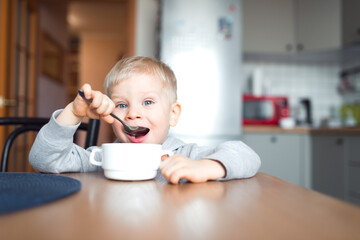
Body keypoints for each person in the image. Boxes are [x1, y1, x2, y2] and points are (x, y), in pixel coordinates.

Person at [29, 56, 260, 184]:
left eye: (147, 102)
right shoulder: (101, 157)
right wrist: (74, 111)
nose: (132, 114)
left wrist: (206, 167)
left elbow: (246, 155)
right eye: (121, 105)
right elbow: (44, 161)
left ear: (173, 113)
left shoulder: (185, 156)